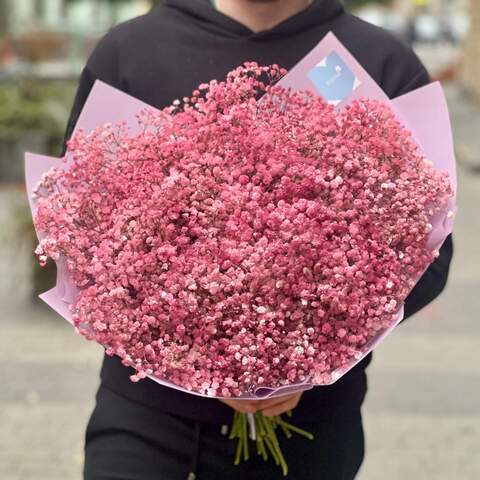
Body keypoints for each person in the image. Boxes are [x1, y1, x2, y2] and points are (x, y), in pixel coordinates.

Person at [61, 1, 454, 479]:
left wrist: (305, 360)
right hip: (145, 425)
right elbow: (78, 229)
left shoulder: (380, 61)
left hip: (311, 430)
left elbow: (429, 252)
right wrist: (183, 352)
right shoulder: (130, 51)